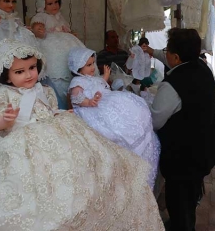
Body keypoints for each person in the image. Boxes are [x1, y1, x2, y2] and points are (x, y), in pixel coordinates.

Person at [0, 39, 165, 231]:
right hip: (14, 141)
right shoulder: (0, 95)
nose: (28, 75)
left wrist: (62, 114)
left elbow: (49, 110)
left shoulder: (44, 90)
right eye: (20, 71)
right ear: (6, 74)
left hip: (53, 132)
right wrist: (3, 119)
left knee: (84, 175)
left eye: (32, 69)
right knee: (19, 191)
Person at [149, 28, 215, 231]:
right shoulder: (201, 68)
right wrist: (152, 52)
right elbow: (165, 55)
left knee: (179, 204)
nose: (166, 54)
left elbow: (156, 120)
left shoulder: (173, 85)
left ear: (177, 57)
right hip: (203, 151)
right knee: (189, 200)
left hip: (183, 159)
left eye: (167, 51)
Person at [68, 47, 160, 187]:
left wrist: (105, 76)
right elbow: (77, 99)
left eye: (93, 63)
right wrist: (89, 102)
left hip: (105, 100)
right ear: (77, 67)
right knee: (114, 124)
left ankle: (139, 134)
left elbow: (101, 85)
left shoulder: (92, 79)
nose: (92, 67)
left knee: (132, 107)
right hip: (92, 109)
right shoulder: (77, 83)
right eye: (88, 65)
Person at [29, 0, 87, 109]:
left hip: (67, 43)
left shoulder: (61, 17)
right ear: (42, 4)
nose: (54, 5)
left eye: (56, 2)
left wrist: (70, 34)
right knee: (57, 70)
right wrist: (38, 29)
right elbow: (36, 25)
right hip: (50, 45)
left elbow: (65, 28)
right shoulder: (41, 16)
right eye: (50, 3)